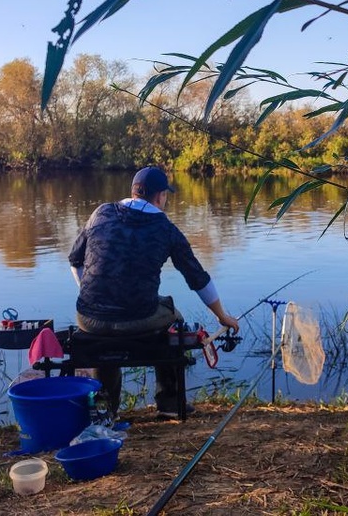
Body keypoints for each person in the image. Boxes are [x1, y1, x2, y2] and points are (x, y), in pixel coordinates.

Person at [68, 166, 239, 416]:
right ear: (160, 196)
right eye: (165, 196)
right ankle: (169, 402)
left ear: (134, 191)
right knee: (175, 318)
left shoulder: (101, 213)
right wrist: (222, 316)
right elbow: (197, 277)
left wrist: (92, 294)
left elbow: (75, 260)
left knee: (105, 338)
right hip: (136, 319)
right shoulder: (165, 228)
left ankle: (106, 409)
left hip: (88, 318)